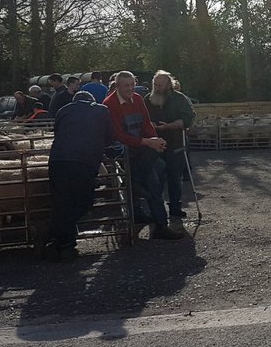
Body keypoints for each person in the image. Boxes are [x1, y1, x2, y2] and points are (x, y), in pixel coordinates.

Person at [104, 70, 184, 240]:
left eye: (132, 85)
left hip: (143, 149)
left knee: (161, 169)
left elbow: (146, 123)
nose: (131, 89)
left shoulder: (138, 99)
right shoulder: (109, 104)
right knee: (153, 181)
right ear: (117, 86)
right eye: (126, 86)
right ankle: (160, 224)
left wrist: (154, 138)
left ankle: (137, 198)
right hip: (126, 152)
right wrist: (148, 142)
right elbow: (118, 135)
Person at [43, 91, 115, 261]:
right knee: (84, 201)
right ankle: (61, 240)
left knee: (62, 203)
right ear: (92, 100)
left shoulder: (63, 110)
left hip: (58, 161)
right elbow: (110, 136)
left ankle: (61, 241)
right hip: (84, 161)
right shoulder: (102, 110)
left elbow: (58, 133)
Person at [145, 70, 196, 219]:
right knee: (156, 178)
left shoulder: (179, 99)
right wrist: (150, 125)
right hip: (154, 145)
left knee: (174, 177)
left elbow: (187, 119)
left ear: (168, 84)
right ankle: (157, 209)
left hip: (175, 143)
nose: (157, 87)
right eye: (155, 84)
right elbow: (142, 117)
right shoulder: (148, 99)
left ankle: (175, 206)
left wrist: (168, 126)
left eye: (160, 84)